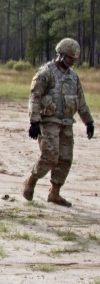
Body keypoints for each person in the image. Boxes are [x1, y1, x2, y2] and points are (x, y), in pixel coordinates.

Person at [22, 38, 94, 206]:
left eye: (74, 59)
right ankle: (31, 180)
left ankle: (54, 193)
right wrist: (34, 121)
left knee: (65, 159)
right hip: (49, 122)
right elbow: (35, 98)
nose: (72, 61)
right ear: (61, 55)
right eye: (69, 58)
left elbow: (81, 102)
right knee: (50, 156)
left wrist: (88, 122)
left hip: (67, 123)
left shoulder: (73, 77)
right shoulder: (45, 73)